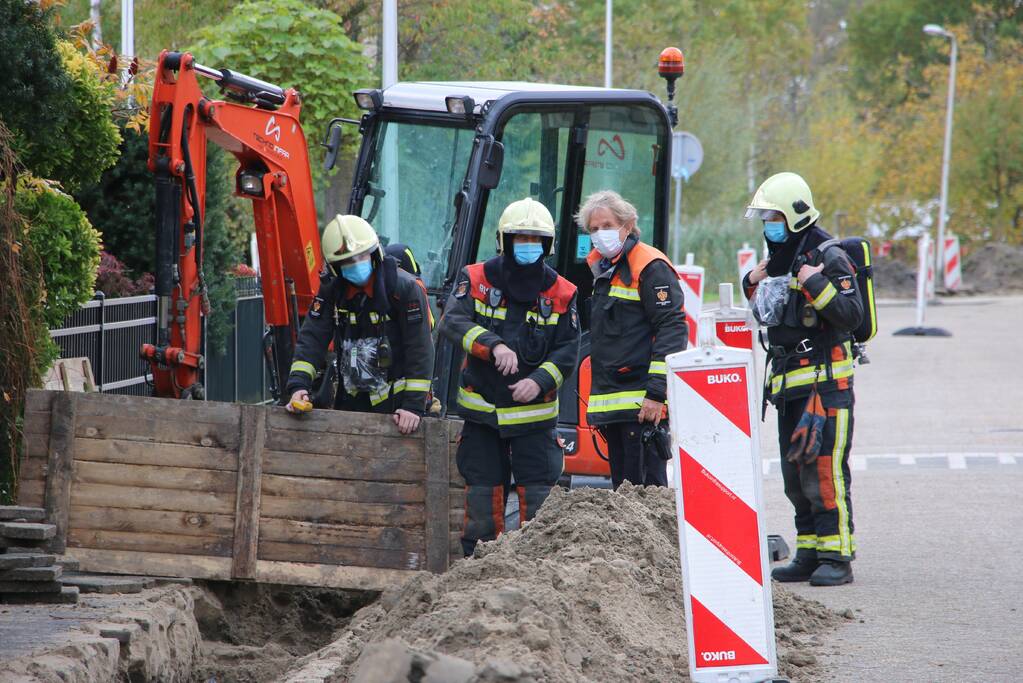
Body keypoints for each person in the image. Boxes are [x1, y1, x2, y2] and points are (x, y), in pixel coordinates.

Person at [741, 172, 863, 587]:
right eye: (765, 218)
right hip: (789, 386)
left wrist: (815, 282)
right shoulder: (780, 257)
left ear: (794, 216)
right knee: (796, 477)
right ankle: (809, 552)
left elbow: (851, 315)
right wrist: (751, 281)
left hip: (825, 385)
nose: (768, 225)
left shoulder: (828, 256)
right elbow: (769, 310)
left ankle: (837, 556)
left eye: (774, 217)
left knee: (824, 472)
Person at [440, 198, 580, 556]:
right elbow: (453, 322)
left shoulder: (562, 292)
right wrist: (493, 346)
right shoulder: (475, 279)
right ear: (505, 240)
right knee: (482, 502)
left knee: (540, 504)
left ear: (547, 245)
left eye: (535, 239)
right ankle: (477, 567)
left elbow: (567, 350)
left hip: (535, 421)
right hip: (483, 415)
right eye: (521, 238)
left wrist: (538, 382)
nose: (528, 245)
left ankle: (537, 569)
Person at [284, 215, 434, 435]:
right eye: (347, 262)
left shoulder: (405, 289)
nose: (356, 265)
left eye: (361, 256)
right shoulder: (332, 291)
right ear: (335, 268)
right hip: (350, 403)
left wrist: (413, 406)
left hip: (397, 410)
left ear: (375, 253)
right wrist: (299, 386)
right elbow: (312, 339)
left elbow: (420, 350)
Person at [579, 190, 687, 489]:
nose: (600, 234)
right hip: (615, 406)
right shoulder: (606, 268)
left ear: (627, 225)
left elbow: (672, 329)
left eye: (607, 225)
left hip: (642, 405)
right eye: (594, 229)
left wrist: (656, 394)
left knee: (647, 495)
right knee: (624, 495)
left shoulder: (650, 266)